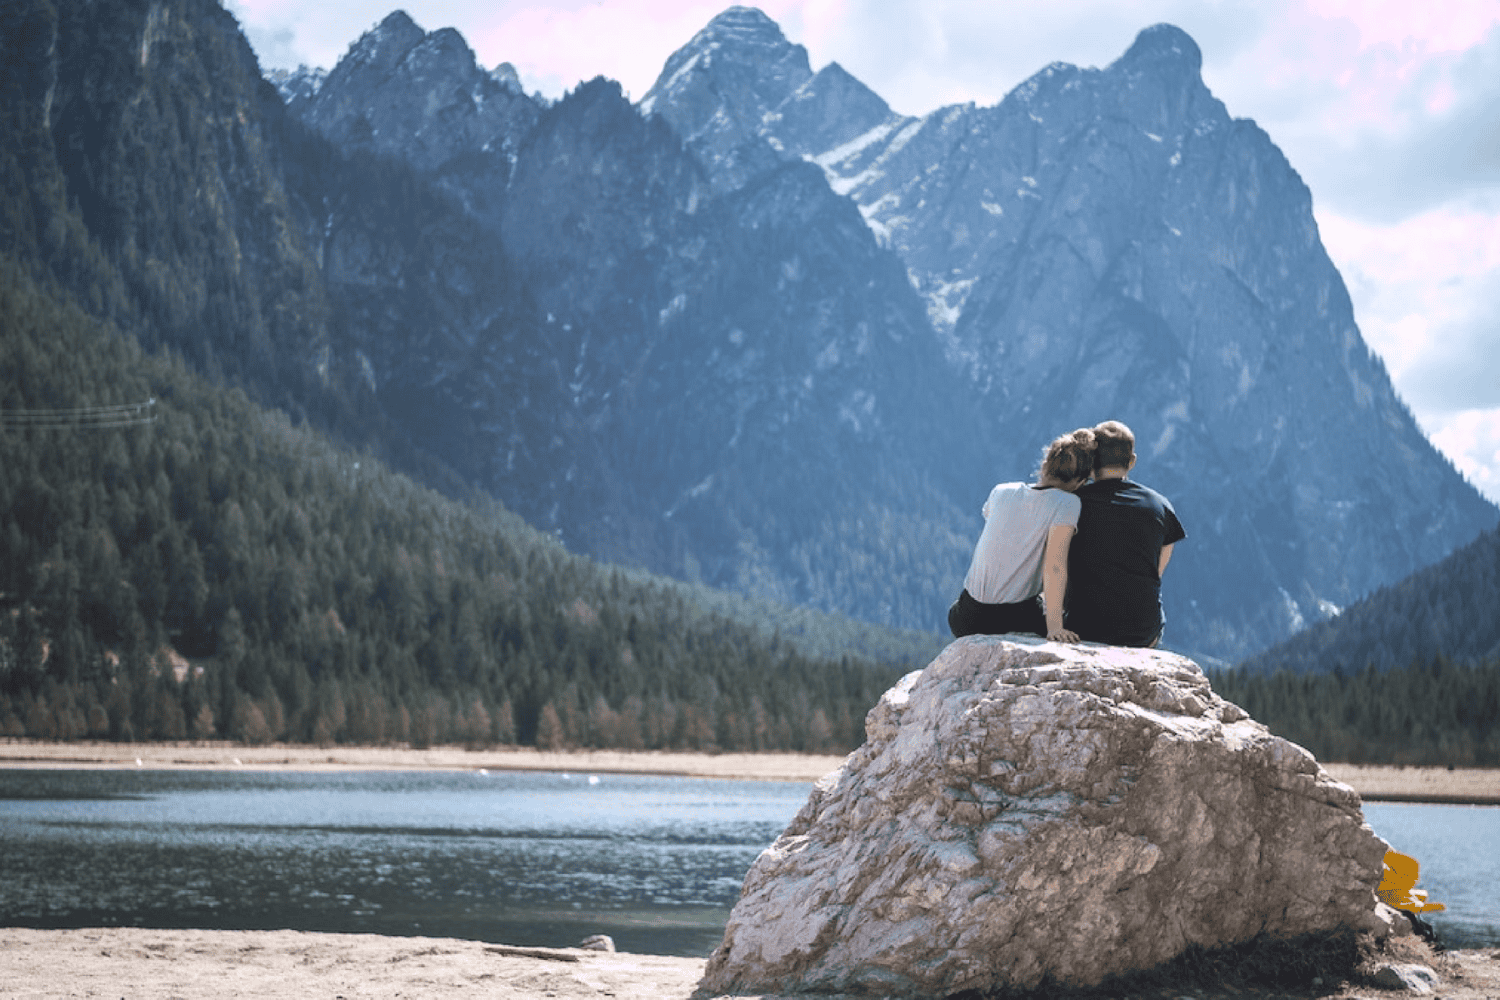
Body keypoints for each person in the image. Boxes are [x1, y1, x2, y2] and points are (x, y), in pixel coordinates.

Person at [948, 428, 1096, 642]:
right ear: (1079, 482)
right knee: (1080, 621)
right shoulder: (1067, 503)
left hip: (965, 616)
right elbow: (1054, 567)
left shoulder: (1001, 491)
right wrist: (1055, 628)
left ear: (1045, 465)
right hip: (1011, 617)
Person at [1064, 420, 1185, 647]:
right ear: (1131, 462)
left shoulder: (1072, 504)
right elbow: (1156, 569)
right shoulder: (1160, 506)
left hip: (1084, 628)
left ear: (1091, 461)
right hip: (1143, 632)